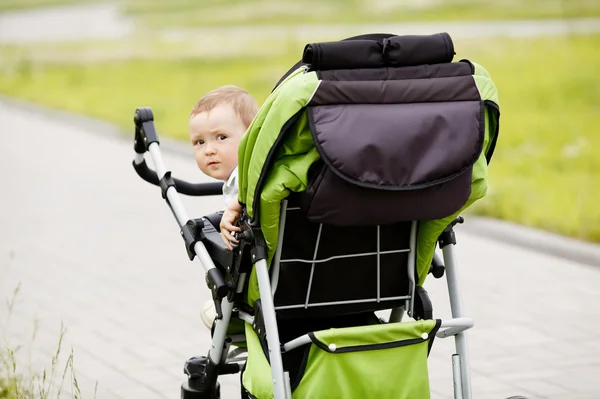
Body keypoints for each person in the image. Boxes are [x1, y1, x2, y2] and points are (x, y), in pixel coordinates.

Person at [188, 85, 259, 328]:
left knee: (212, 313)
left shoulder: (246, 176)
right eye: (199, 142)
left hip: (261, 280)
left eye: (221, 137)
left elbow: (254, 188)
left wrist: (236, 206)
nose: (209, 150)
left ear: (251, 136)